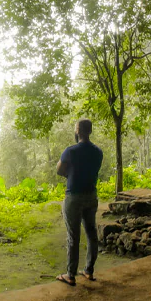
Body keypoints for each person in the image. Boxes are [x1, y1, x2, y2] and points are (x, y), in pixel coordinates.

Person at [55, 119, 103, 286]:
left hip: (74, 196)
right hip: (91, 195)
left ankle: (70, 275)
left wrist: (71, 174)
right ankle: (89, 271)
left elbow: (59, 170)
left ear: (78, 130)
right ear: (90, 131)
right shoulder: (98, 152)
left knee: (73, 236)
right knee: (91, 233)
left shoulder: (70, 151)